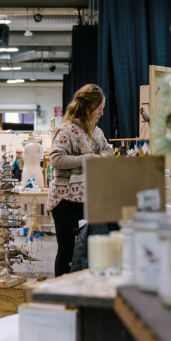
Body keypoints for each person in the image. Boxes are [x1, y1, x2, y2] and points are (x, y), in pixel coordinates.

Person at [48, 84, 114, 277]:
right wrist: (89, 158)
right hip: (65, 201)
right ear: (87, 108)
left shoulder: (96, 132)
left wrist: (102, 156)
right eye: (99, 108)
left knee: (85, 252)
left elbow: (109, 151)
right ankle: (62, 290)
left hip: (88, 200)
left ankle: (79, 289)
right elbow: (56, 159)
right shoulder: (66, 131)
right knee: (67, 251)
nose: (102, 113)